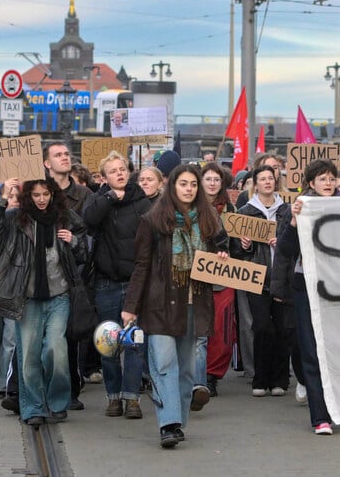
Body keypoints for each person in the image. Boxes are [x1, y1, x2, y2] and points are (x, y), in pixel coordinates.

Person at [121, 164, 229, 448]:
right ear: (172, 187)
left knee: (185, 369)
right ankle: (167, 423)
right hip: (160, 304)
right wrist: (130, 306)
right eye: (183, 184)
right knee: (163, 363)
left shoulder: (209, 220)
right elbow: (142, 266)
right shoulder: (153, 220)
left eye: (193, 184)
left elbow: (222, 251)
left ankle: (178, 421)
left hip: (195, 302)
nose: (189, 189)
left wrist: (222, 257)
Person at [0, 177, 87, 425]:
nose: (41, 199)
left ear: (52, 194)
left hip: (59, 295)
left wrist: (75, 241)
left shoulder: (65, 217)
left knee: (55, 350)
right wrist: (3, 196)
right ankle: (33, 408)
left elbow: (85, 247)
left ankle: (58, 401)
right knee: (28, 356)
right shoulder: (16, 219)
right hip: (27, 298)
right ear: (29, 196)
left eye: (46, 194)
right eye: (36, 195)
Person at [83, 151, 150, 419]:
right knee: (108, 343)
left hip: (135, 283)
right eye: (113, 171)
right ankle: (113, 396)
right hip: (106, 283)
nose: (119, 174)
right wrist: (110, 198)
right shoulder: (99, 200)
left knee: (135, 342)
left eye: (122, 169)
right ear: (104, 177)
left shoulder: (143, 202)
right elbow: (89, 220)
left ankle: (132, 398)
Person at [274, 158, 339, 435]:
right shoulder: (299, 208)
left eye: (331, 178)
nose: (328, 183)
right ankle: (320, 416)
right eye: (322, 179)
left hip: (338, 287)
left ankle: (338, 408)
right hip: (306, 286)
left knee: (335, 350)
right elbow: (286, 251)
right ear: (311, 183)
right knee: (311, 350)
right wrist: (293, 221)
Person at [234, 164, 293, 398]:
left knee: (282, 328)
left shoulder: (286, 211)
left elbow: (295, 242)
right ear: (255, 184)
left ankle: (280, 380)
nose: (268, 182)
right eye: (263, 179)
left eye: (271, 178)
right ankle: (260, 378)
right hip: (257, 278)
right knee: (261, 327)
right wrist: (244, 245)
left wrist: (284, 243)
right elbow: (236, 252)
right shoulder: (245, 212)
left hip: (281, 278)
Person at [44, 142, 93, 410]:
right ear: (46, 163)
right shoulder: (38, 191)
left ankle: (71, 390)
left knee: (70, 336)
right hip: (43, 274)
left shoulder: (85, 195)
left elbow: (90, 234)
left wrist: (75, 241)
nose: (65, 158)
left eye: (66, 154)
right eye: (58, 155)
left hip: (74, 274)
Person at [197, 162, 236, 399]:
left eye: (216, 179)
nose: (212, 183)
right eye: (208, 179)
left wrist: (243, 244)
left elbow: (240, 248)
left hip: (223, 275)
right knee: (198, 327)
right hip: (196, 273)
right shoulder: (189, 206)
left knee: (222, 328)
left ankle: (212, 375)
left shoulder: (232, 209)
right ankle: (197, 375)